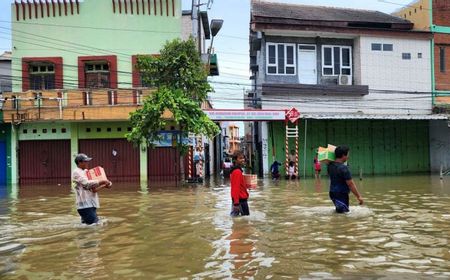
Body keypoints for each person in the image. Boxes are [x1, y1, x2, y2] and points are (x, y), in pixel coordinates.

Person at [72, 153, 111, 225]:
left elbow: (93, 190)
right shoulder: (76, 172)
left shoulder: (86, 172)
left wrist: (105, 185)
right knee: (95, 226)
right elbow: (87, 183)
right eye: (85, 161)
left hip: (90, 204)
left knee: (88, 226)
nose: (87, 163)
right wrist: (102, 181)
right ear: (79, 162)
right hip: (84, 205)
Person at [327, 146, 363, 213]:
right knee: (344, 214)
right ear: (343, 155)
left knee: (340, 212)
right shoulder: (344, 168)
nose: (348, 157)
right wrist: (359, 197)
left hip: (332, 193)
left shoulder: (330, 166)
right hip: (341, 194)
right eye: (348, 154)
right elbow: (350, 184)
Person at [230, 150, 250, 216]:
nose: (243, 160)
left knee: (236, 220)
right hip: (240, 201)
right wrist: (236, 204)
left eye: (243, 158)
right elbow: (235, 188)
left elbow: (238, 186)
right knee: (245, 222)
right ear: (235, 160)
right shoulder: (237, 172)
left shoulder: (236, 171)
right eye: (240, 158)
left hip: (238, 200)